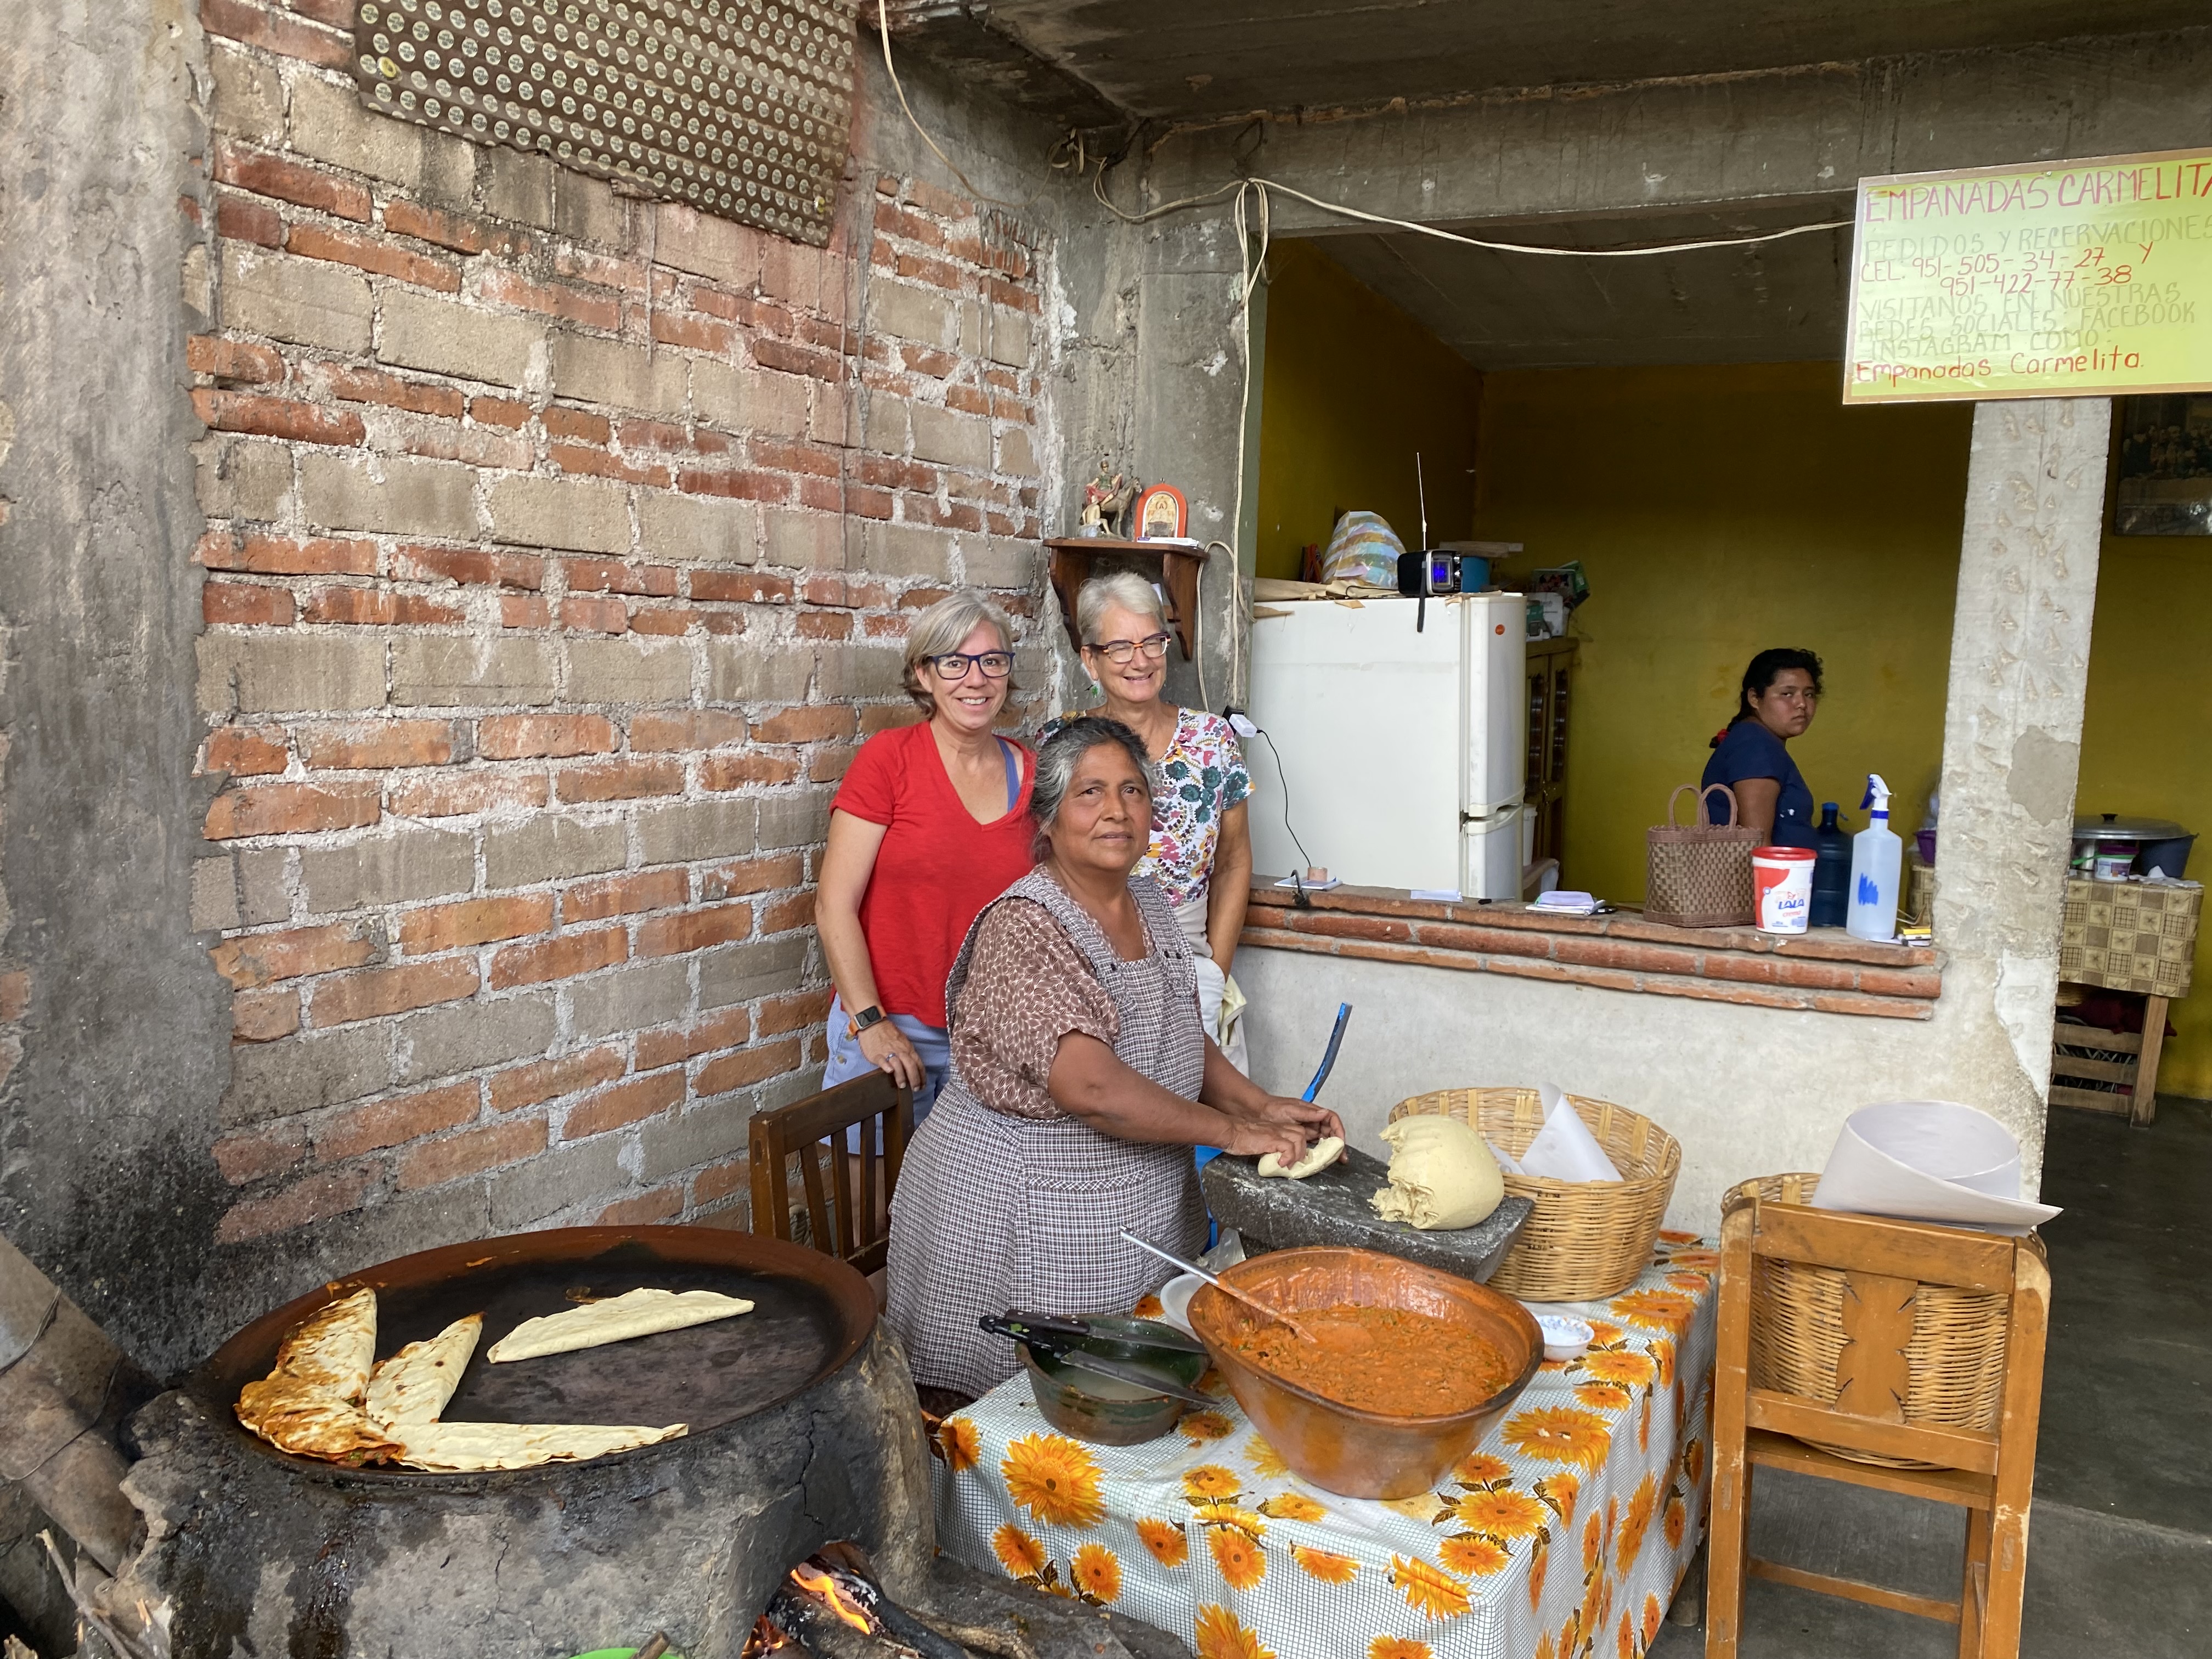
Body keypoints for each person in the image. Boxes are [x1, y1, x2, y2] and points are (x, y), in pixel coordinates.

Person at [884, 718, 1342, 1401]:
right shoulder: (1026, 926)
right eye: (1089, 792)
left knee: (1126, 1406)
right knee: (1029, 1424)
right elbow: (1092, 1086)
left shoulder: (1149, 902)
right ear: (1048, 819)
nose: (1116, 810)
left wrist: (1260, 1104)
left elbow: (1178, 1029)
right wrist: (1235, 1135)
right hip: (1025, 1219)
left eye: (1132, 791)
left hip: (1130, 1211)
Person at [814, 591, 1034, 1120]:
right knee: (871, 1198)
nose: (976, 680)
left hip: (989, 1036)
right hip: (888, 1024)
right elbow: (833, 905)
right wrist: (870, 1021)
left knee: (969, 1200)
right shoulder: (889, 760)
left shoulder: (1035, 772)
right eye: (955, 663)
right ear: (924, 675)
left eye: (992, 661)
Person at [1045, 572, 1255, 1068]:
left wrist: (1213, 974)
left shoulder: (1212, 742)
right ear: (1090, 660)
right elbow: (1046, 862)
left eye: (1151, 642)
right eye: (1119, 647)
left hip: (1189, 965)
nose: (1139, 660)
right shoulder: (1060, 742)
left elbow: (1233, 864)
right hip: (1089, 969)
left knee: (1200, 1123)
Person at [1703, 648, 1823, 845]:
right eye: (1787, 693)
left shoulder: (1757, 741)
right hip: (1767, 876)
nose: (1801, 703)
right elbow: (1757, 847)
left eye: (1809, 694)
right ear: (1754, 699)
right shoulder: (1755, 746)